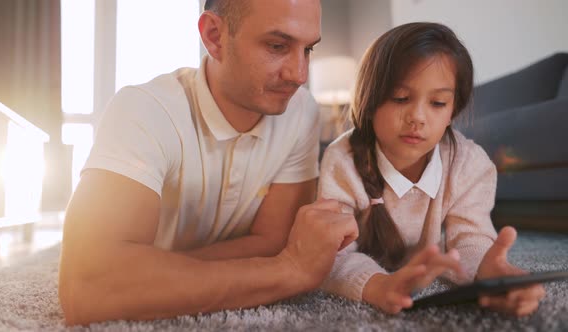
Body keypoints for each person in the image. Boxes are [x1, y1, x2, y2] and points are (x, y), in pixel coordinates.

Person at [58, 0, 367, 325]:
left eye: (308, 50)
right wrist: (289, 271)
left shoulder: (301, 111)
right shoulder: (143, 110)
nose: (299, 75)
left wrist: (151, 270)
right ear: (214, 36)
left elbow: (275, 242)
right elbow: (88, 286)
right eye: (277, 46)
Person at [318, 22, 546, 316]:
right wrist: (379, 286)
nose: (417, 117)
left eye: (438, 103)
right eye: (401, 98)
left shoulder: (470, 163)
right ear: (369, 99)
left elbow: (469, 240)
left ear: (453, 110)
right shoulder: (342, 160)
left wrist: (489, 272)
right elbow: (330, 257)